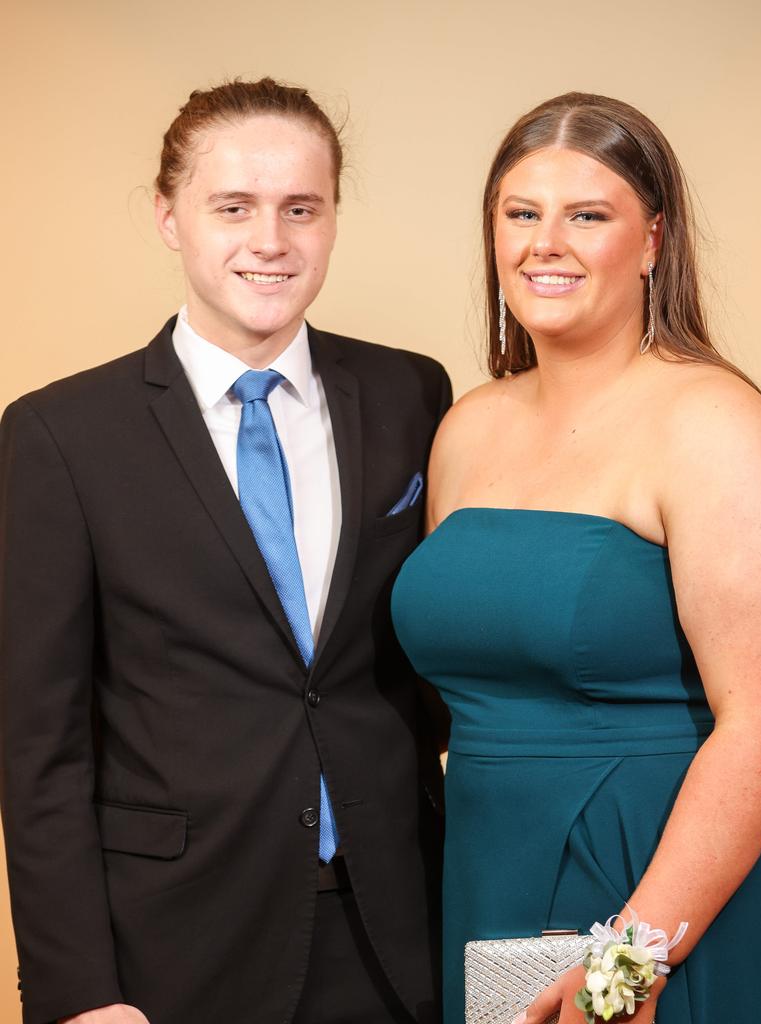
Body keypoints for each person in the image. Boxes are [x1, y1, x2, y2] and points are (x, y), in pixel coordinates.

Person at [0, 78, 451, 1024]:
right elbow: (38, 746)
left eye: (302, 208)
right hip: (174, 949)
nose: (271, 241)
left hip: (396, 932)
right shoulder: (58, 436)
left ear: (332, 218)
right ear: (170, 217)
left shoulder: (413, 394)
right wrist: (80, 992)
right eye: (233, 207)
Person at [391, 91, 761, 1024]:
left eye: (586, 216)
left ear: (651, 240)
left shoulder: (713, 421)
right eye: (521, 214)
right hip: (485, 869)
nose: (544, 243)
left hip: (655, 885)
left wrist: (634, 957)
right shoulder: (465, 428)